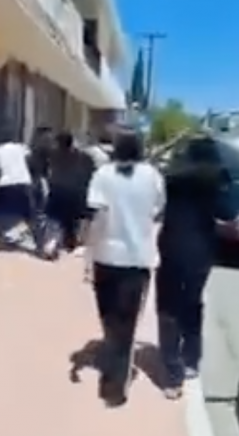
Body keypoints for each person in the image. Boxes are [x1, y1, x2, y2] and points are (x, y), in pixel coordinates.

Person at [156, 135, 239, 399]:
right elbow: (236, 223)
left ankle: (172, 375)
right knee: (192, 304)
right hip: (200, 252)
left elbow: (158, 210)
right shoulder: (216, 178)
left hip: (170, 247)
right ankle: (191, 360)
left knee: (167, 309)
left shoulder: (171, 177)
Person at [82, 130, 165, 406]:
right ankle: (115, 384)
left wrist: (88, 255)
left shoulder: (103, 174)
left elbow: (97, 216)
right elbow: (157, 210)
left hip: (105, 257)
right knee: (126, 324)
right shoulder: (152, 176)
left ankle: (113, 374)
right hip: (137, 259)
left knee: (109, 318)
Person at [0, 134, 42, 251]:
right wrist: (35, 180)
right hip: (24, 182)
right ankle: (38, 242)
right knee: (29, 213)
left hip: (6, 183)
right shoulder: (22, 148)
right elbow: (32, 164)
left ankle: (0, 238)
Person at [46, 131, 95, 253]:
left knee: (55, 218)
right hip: (75, 191)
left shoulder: (55, 155)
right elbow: (89, 171)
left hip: (58, 190)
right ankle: (68, 242)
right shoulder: (81, 156)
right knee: (70, 219)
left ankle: (54, 241)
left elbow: (50, 170)